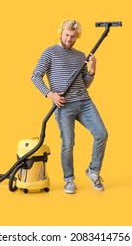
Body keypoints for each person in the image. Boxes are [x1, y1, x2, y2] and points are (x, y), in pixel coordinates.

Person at [31, 19, 108, 194]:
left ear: (77, 37)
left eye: (73, 37)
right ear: (61, 32)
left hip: (85, 102)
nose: (69, 39)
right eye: (66, 35)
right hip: (64, 105)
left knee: (102, 134)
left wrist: (92, 69)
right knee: (68, 143)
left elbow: (85, 84)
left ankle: (93, 172)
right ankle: (69, 180)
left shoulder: (80, 55)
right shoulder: (50, 52)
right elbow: (35, 76)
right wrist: (51, 95)